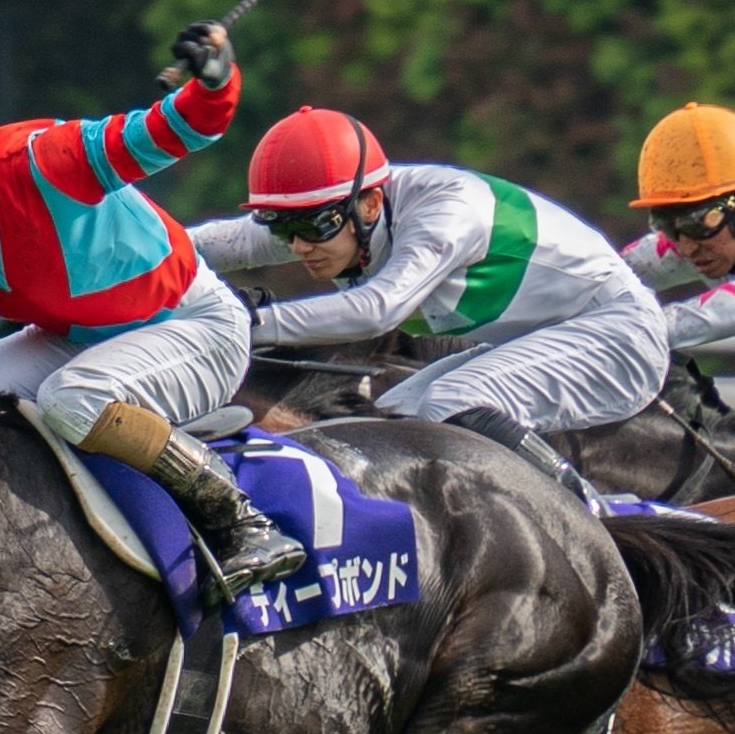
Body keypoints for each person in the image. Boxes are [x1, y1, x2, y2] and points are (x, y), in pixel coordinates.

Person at [0, 24, 303, 593]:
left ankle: (243, 524)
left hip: (196, 326)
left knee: (71, 399)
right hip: (82, 338)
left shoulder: (43, 160)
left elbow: (180, 129)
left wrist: (214, 82)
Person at [188, 106, 670, 491]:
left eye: (311, 228)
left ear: (371, 203)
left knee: (448, 402)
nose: (298, 247)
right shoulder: (330, 216)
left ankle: (589, 515)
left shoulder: (445, 211)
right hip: (546, 336)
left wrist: (242, 323)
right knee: (391, 432)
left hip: (618, 332)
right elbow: (209, 244)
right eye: (282, 228)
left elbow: (378, 310)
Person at [621, 102, 735, 351]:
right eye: (667, 226)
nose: (686, 249)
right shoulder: (703, 243)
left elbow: (698, 320)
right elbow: (598, 276)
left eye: (697, 223)